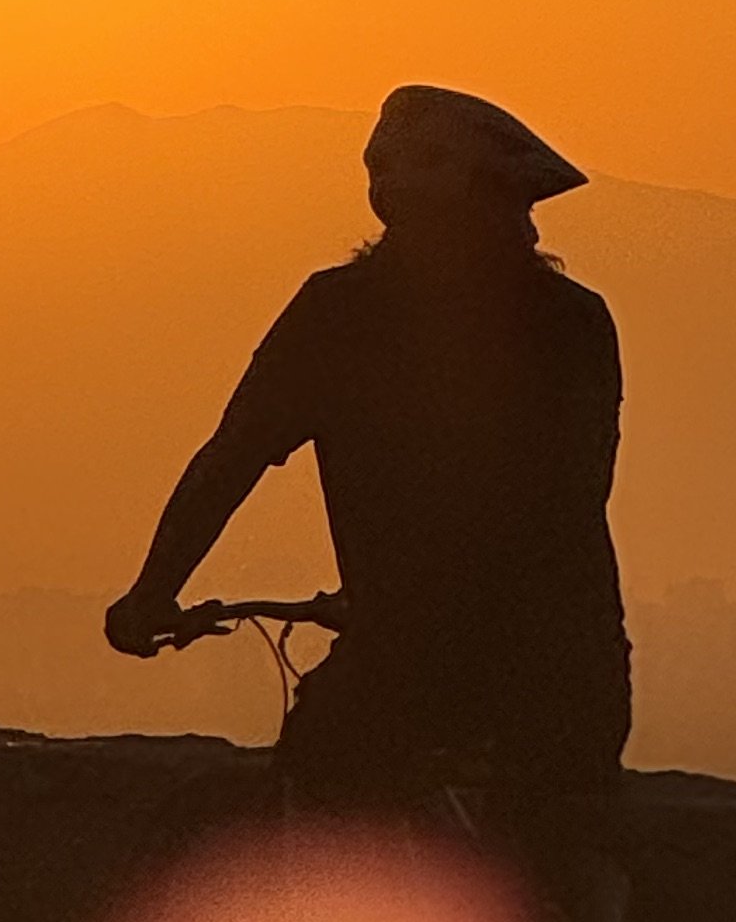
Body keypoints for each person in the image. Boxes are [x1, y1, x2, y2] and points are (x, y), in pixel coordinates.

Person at [105, 85, 629, 822]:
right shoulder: (575, 321)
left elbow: (231, 460)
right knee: (566, 849)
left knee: (323, 799)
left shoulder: (337, 315)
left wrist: (152, 596)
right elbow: (574, 496)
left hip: (403, 665)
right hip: (567, 675)